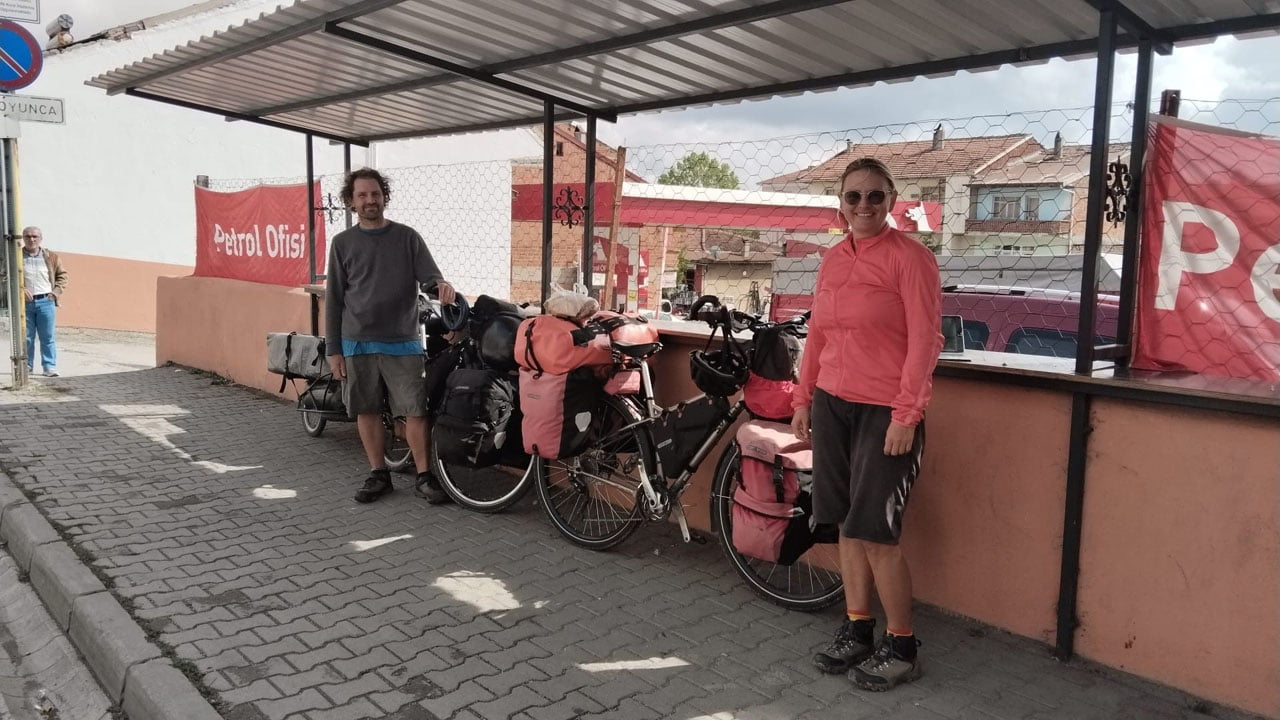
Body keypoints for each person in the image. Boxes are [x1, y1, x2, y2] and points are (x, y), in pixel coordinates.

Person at [791, 157, 943, 691]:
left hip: (885, 412)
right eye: (854, 196)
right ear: (840, 203)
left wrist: (907, 414)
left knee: (876, 532)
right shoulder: (833, 260)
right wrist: (803, 397)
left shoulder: (912, 258)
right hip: (833, 404)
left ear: (892, 200)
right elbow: (818, 336)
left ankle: (902, 643)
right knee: (843, 523)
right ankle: (857, 629)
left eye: (875, 196)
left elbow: (927, 341)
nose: (864, 206)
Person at [325, 168, 457, 505]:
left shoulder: (407, 238)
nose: (370, 200)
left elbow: (431, 277)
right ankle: (378, 474)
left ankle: (425, 477)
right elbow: (335, 299)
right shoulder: (342, 244)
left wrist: (441, 287)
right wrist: (334, 349)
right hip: (357, 341)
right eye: (362, 195)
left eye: (375, 194)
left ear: (384, 196)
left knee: (415, 410)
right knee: (366, 409)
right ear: (351, 202)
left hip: (403, 340)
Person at [21, 226, 68, 377]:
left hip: (46, 301)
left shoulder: (51, 257)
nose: (31, 239)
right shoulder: (16, 257)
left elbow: (63, 276)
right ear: (23, 238)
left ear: (40, 238)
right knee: (26, 337)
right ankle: (27, 367)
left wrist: (55, 293)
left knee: (47, 336)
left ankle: (49, 367)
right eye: (27, 236)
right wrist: (20, 289)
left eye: (34, 236)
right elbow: (4, 276)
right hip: (25, 303)